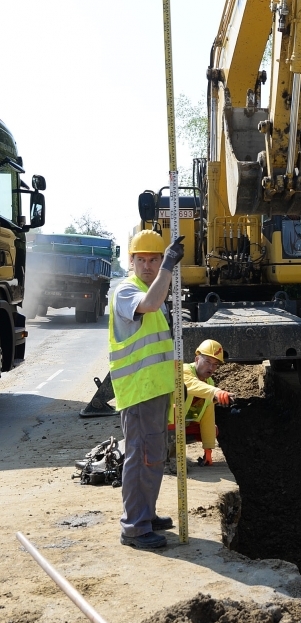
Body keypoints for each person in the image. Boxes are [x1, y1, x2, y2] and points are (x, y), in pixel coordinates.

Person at [109, 229, 184, 551]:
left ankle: (146, 514)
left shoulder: (150, 288)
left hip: (155, 391)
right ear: (132, 261)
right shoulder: (127, 291)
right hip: (139, 392)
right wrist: (169, 264)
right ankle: (135, 528)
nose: (149, 266)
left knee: (152, 456)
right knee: (140, 458)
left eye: (155, 260)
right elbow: (151, 304)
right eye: (143, 260)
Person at [169, 339, 234, 466]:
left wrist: (208, 450)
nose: (211, 368)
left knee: (213, 429)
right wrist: (215, 392)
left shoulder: (209, 383)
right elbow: (192, 385)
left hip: (183, 427)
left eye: (215, 364)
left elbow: (207, 418)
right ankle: (166, 453)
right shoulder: (183, 370)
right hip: (164, 425)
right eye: (207, 362)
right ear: (197, 359)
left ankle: (171, 450)